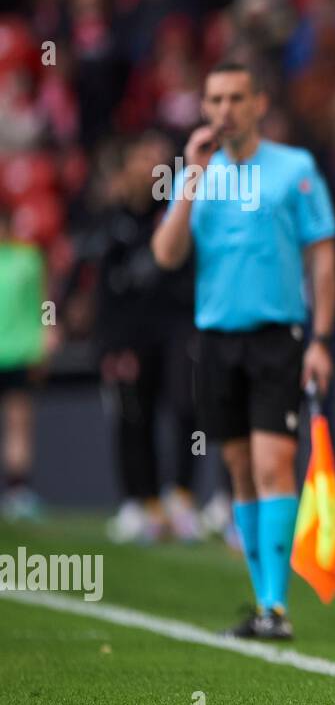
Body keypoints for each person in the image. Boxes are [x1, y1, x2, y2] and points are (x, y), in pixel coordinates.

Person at [152, 59, 335, 640]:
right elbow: (166, 254)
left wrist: (322, 338)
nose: (224, 110)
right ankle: (263, 602)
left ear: (259, 103)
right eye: (214, 100)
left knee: (272, 462)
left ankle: (277, 606)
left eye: (236, 98)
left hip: (277, 338)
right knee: (238, 470)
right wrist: (189, 180)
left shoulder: (294, 168)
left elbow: (324, 255)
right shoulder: (198, 175)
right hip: (215, 340)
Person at [67, 131, 203, 543]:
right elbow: (92, 283)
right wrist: (106, 343)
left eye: (162, 159)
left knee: (185, 406)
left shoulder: (178, 215)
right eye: (146, 157)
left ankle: (180, 495)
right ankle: (139, 501)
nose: (154, 166)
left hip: (178, 328)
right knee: (131, 416)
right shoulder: (109, 222)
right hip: (127, 336)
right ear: (127, 166)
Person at [0, 206, 55, 522]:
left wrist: (47, 333)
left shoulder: (29, 259)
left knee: (18, 425)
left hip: (20, 352)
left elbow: (46, 301)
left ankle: (17, 492)